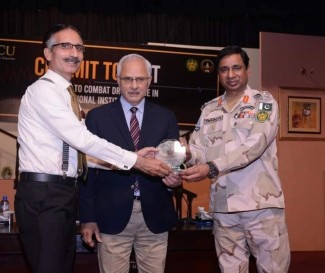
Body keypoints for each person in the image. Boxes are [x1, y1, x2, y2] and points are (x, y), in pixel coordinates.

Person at [14, 24, 172, 273]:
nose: (74, 53)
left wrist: (129, 158)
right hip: (43, 194)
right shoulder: (43, 91)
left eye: (78, 47)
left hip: (62, 193)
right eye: (64, 46)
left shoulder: (66, 94)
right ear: (47, 54)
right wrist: (134, 160)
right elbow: (81, 138)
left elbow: (80, 157)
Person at [179, 45, 291, 273]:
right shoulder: (209, 110)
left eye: (236, 68)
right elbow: (200, 150)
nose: (231, 75)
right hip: (223, 210)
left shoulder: (264, 103)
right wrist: (189, 154)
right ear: (218, 74)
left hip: (261, 207)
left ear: (248, 70)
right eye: (224, 70)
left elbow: (255, 145)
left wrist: (211, 167)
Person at [78, 53, 181, 273]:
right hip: (110, 216)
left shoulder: (166, 117)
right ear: (117, 80)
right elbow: (87, 171)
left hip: (155, 215)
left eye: (140, 79)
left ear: (149, 81)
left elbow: (174, 164)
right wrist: (87, 218)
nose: (134, 86)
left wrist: (174, 180)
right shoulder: (97, 118)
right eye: (127, 79)